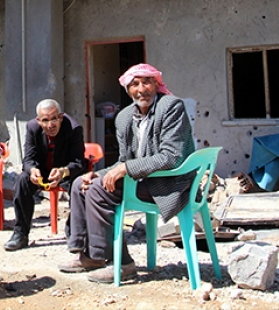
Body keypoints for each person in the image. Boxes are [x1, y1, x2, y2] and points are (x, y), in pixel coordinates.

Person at [59, 63, 195, 284]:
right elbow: (124, 161)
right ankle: (87, 254)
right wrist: (98, 173)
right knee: (80, 184)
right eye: (134, 84)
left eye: (146, 82)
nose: (141, 89)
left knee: (98, 191)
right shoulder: (124, 118)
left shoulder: (171, 107)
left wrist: (124, 169)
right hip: (142, 180)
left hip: (171, 182)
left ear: (156, 84)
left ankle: (122, 263)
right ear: (128, 90)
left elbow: (171, 157)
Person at [4, 99, 87, 251]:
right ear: (39, 121)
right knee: (22, 180)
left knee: (79, 185)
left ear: (61, 117)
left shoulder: (74, 128)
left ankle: (74, 232)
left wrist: (64, 171)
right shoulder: (32, 127)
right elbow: (28, 158)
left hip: (66, 170)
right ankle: (20, 233)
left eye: (54, 119)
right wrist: (32, 170)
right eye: (45, 120)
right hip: (42, 171)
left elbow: (79, 162)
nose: (51, 125)